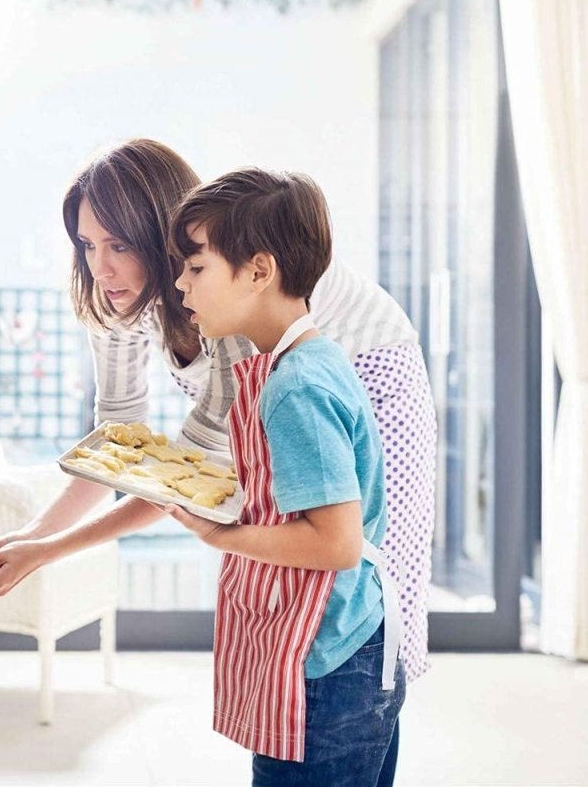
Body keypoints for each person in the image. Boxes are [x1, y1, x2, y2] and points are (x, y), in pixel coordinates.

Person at [0, 139, 435, 686]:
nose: (101, 269)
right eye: (87, 245)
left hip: (372, 375)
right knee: (305, 590)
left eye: (118, 245)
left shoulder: (228, 303)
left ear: (164, 240)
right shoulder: (122, 301)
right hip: (287, 395)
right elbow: (118, 444)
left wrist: (48, 551)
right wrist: (29, 539)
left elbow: (186, 478)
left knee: (369, 580)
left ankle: (362, 711)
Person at [159, 167, 403, 784]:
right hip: (352, 647)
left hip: (327, 663)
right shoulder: (305, 361)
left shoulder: (294, 387)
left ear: (259, 271)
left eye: (196, 267)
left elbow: (336, 543)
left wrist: (221, 536)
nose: (181, 285)